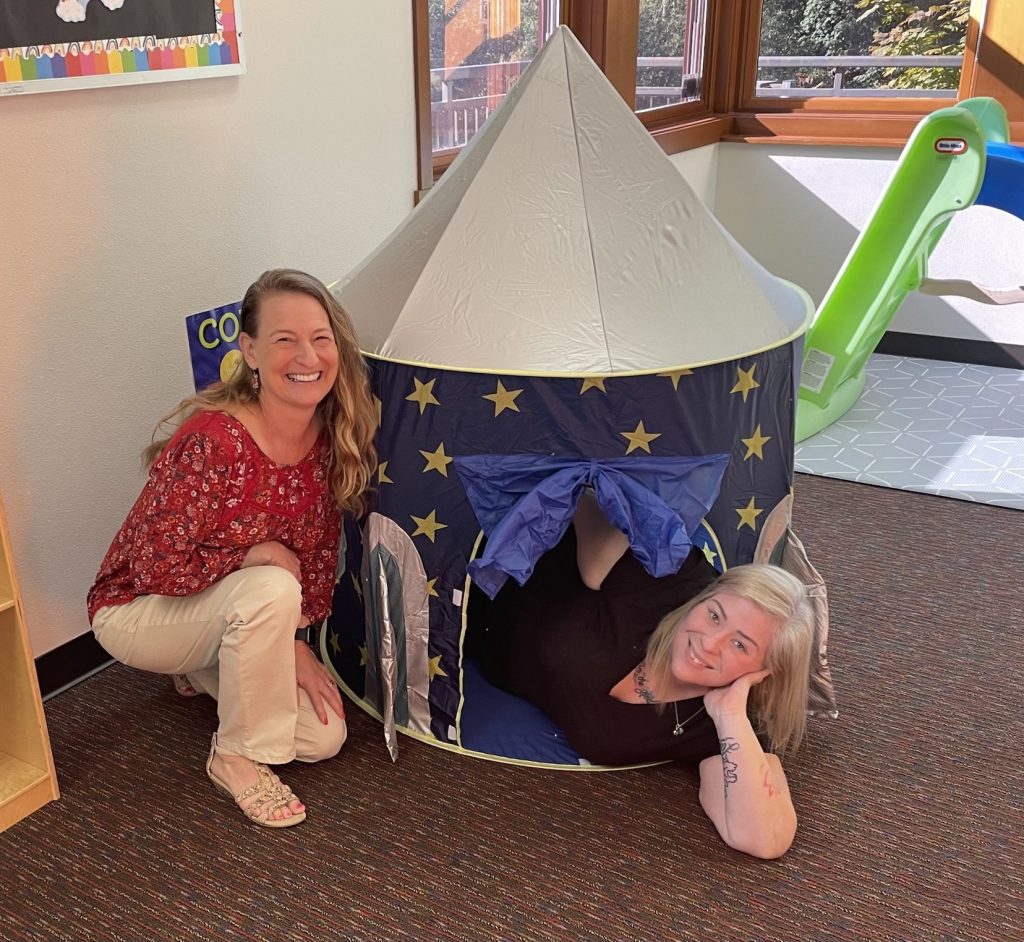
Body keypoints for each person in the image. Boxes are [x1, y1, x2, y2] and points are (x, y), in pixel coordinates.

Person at [88, 269, 377, 828]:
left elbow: (316, 560)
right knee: (271, 583)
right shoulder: (212, 441)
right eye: (283, 339)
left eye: (320, 338)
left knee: (321, 738)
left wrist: (293, 646)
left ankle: (201, 668)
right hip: (136, 609)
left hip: (228, 610)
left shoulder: (328, 436)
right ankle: (233, 756)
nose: (307, 355)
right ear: (249, 350)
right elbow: (153, 565)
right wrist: (252, 556)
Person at [476, 492, 815, 859]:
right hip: (469, 587)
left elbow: (763, 840)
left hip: (482, 654)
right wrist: (594, 556)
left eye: (740, 646)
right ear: (703, 597)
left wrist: (730, 714)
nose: (708, 643)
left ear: (765, 672)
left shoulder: (728, 724)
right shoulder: (665, 577)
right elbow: (582, 495)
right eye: (714, 615)